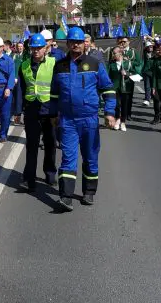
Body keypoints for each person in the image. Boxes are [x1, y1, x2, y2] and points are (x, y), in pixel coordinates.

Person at [50, 26, 116, 211]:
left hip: (89, 120)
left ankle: (89, 192)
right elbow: (54, 93)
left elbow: (108, 89)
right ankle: (66, 196)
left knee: (90, 157)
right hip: (68, 121)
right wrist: (54, 114)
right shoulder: (59, 66)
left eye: (79, 42)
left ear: (84, 44)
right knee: (68, 158)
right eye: (73, 42)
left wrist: (109, 113)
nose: (76, 45)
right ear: (68, 44)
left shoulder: (95, 64)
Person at [19, 33, 57, 192]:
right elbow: (21, 88)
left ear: (45, 49)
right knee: (32, 145)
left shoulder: (54, 64)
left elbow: (58, 87)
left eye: (38, 48)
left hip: (49, 110)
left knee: (50, 144)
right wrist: (19, 110)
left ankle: (50, 173)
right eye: (33, 48)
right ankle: (29, 178)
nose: (35, 51)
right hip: (31, 110)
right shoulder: (24, 65)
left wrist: (58, 110)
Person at [108, 47, 135, 132]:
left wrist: (126, 73)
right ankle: (117, 119)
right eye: (112, 53)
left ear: (120, 53)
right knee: (117, 105)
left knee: (124, 105)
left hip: (125, 87)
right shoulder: (111, 64)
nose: (113, 55)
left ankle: (123, 122)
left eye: (114, 53)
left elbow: (134, 73)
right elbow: (108, 76)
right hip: (115, 87)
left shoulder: (128, 63)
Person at [11, 40, 26, 125]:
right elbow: (13, 68)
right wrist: (15, 77)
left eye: (21, 46)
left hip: (24, 80)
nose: (20, 48)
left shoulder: (26, 57)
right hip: (17, 80)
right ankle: (17, 117)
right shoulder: (14, 56)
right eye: (18, 46)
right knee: (17, 99)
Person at [142, 41, 155, 107]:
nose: (150, 48)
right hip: (146, 72)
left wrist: (152, 39)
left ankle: (153, 97)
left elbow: (158, 44)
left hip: (153, 73)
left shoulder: (155, 53)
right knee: (147, 86)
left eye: (151, 46)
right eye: (149, 47)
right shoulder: (144, 53)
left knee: (153, 86)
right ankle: (147, 99)